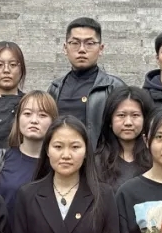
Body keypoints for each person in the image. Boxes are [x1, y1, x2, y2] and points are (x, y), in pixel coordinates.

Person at [47, 17, 125, 145]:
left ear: (101, 49)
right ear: (65, 48)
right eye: (75, 43)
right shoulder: (55, 88)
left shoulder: (114, 87)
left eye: (89, 43)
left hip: (100, 156)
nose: (82, 49)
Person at [0, 90, 57, 213]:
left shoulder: (58, 164)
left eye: (42, 115)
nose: (34, 120)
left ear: (53, 121)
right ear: (18, 118)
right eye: (27, 114)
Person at [94, 86, 154, 191]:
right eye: (121, 115)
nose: (128, 123)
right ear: (110, 121)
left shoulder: (155, 158)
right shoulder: (97, 162)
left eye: (135, 115)